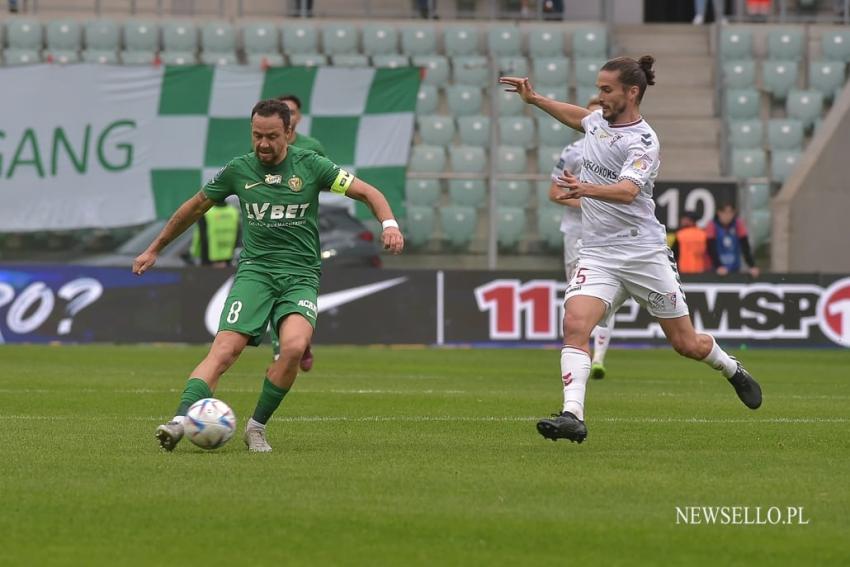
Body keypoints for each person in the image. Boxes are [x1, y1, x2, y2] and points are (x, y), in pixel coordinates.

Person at [499, 55, 762, 444]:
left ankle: (730, 368)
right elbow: (578, 117)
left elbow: (627, 191)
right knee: (575, 323)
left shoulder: (644, 140)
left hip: (643, 254)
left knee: (686, 344)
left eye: (606, 90)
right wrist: (535, 99)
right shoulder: (597, 123)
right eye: (599, 88)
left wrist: (585, 189)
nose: (598, 97)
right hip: (599, 253)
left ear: (631, 92)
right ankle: (573, 415)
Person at [133, 99, 404, 452]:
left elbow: (367, 192)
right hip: (255, 274)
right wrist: (154, 248)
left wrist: (390, 224)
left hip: (300, 276)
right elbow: (194, 207)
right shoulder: (238, 170)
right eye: (257, 135)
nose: (262, 144)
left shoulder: (313, 166)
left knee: (292, 348)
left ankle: (256, 427)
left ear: (289, 133)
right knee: (224, 351)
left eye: (272, 136)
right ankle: (180, 420)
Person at [549, 96, 614, 380]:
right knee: (577, 296)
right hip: (576, 232)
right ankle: (582, 351)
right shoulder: (572, 152)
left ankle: (598, 357)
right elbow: (553, 193)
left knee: (605, 297)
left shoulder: (618, 150)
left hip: (607, 233)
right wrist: (587, 202)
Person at [275, 93, 327, 372]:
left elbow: (325, 181)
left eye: (292, 111)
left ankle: (298, 340)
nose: (288, 115)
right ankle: (281, 354)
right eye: (283, 111)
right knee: (272, 288)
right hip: (270, 231)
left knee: (295, 288)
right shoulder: (265, 148)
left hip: (301, 231)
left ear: (298, 117)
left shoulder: (312, 147)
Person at [706, 203, 760, 277]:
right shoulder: (712, 225)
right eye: (724, 212)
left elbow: (745, 247)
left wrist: (752, 266)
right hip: (715, 270)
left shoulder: (738, 224)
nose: (727, 216)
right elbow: (711, 248)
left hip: (734, 269)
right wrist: (718, 266)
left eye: (730, 212)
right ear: (719, 213)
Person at [190, 201, 240, 267]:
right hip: (229, 259)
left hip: (208, 260)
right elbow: (238, 235)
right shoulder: (234, 212)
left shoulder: (206, 213)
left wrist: (194, 253)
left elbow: (200, 236)